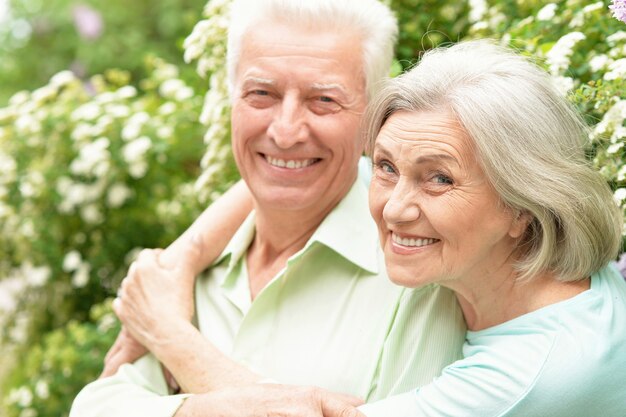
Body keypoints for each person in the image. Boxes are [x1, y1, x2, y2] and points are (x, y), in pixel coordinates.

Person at [102, 40, 626, 417]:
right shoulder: (552, 271)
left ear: (522, 205)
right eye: (387, 167)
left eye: (438, 179)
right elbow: (303, 170)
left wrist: (168, 333)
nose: (395, 208)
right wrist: (186, 253)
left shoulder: (527, 378)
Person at [69, 1, 465, 416]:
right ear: (230, 102)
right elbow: (96, 406)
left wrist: (176, 350)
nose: (286, 131)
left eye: (323, 100)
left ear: (372, 118)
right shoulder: (186, 273)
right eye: (262, 94)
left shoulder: (422, 272)